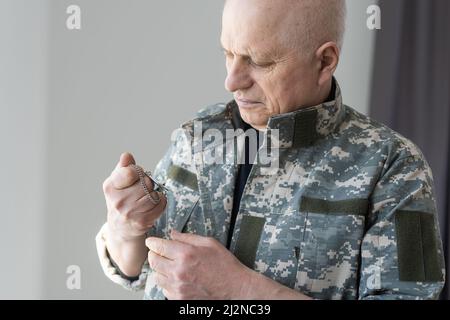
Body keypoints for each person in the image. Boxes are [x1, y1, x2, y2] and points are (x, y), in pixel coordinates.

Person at [96, 0, 445, 300]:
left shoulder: (393, 167)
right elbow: (136, 270)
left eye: (259, 61)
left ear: (324, 62)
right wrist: (124, 229)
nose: (231, 81)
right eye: (228, 54)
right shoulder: (198, 134)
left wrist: (241, 290)